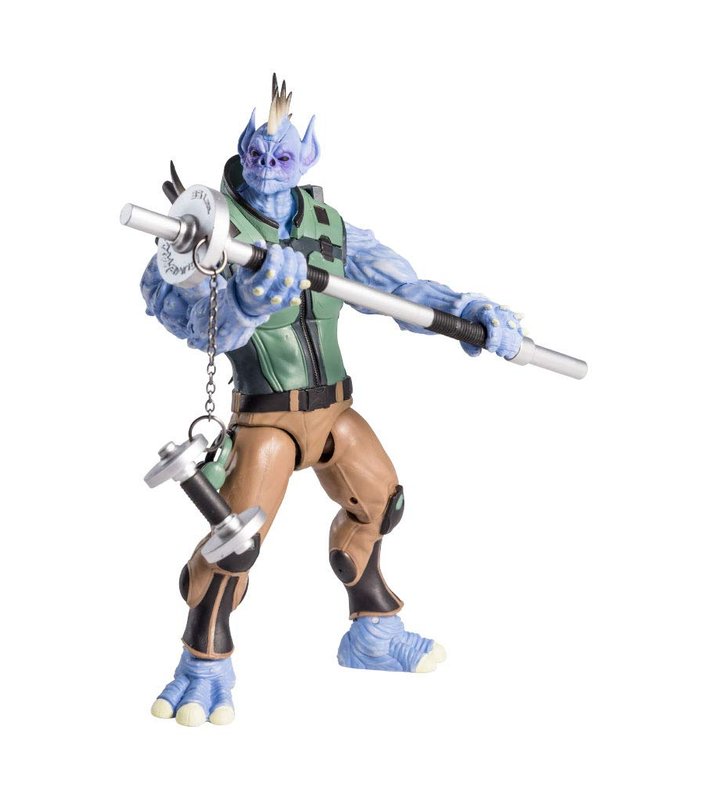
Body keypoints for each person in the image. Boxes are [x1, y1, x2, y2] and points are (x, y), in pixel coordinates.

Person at [140, 76, 523, 726]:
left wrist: (469, 312)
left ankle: (373, 634)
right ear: (241, 150)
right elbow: (188, 319)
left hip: (335, 413)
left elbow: (402, 290)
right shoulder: (203, 232)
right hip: (266, 420)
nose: (267, 167)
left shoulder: (329, 228)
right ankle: (201, 663)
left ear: (307, 160)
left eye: (282, 156)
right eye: (257, 154)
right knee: (237, 541)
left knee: (381, 502)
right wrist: (247, 299)